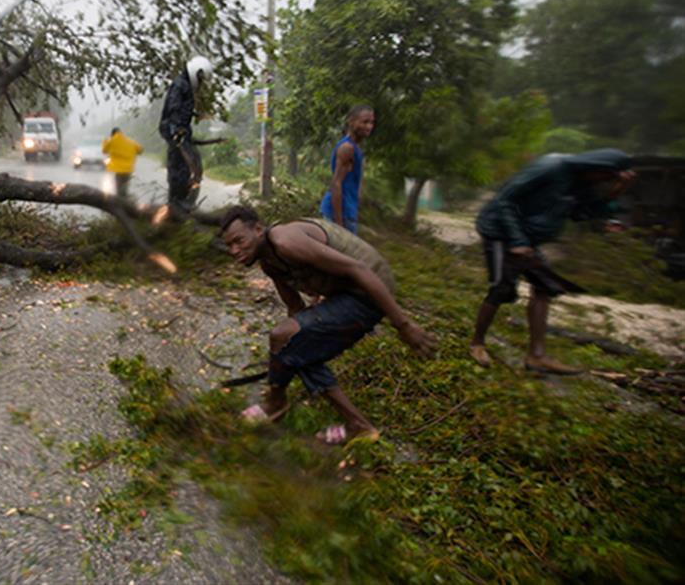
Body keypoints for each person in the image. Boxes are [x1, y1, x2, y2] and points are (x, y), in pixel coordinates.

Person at [220, 205, 437, 444]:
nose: (235, 250)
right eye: (229, 245)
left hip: (369, 291)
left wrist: (403, 325)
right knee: (293, 344)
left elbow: (359, 268)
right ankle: (348, 422)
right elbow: (295, 309)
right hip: (344, 295)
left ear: (258, 229)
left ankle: (278, 404)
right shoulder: (270, 263)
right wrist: (282, 361)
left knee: (286, 338)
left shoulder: (285, 242)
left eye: (239, 241)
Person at [469, 149, 636, 373]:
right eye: (605, 177)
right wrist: (518, 240)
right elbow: (504, 201)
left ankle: (536, 356)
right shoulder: (551, 167)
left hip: (527, 238)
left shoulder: (579, 183)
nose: (603, 182)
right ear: (597, 168)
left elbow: (582, 214)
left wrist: (616, 192)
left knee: (545, 287)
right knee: (502, 288)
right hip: (500, 232)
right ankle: (477, 343)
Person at [159, 56, 212, 213]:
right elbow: (174, 107)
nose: (201, 83)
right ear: (197, 72)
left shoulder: (185, 85)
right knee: (180, 164)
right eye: (200, 79)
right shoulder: (180, 84)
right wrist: (177, 129)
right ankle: (177, 202)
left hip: (179, 128)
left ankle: (181, 200)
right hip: (174, 129)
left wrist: (195, 114)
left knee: (188, 164)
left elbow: (182, 108)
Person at [319, 105, 375, 234]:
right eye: (365, 122)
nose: (369, 127)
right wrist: (339, 224)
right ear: (351, 121)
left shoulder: (355, 148)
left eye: (372, 122)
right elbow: (336, 183)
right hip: (340, 214)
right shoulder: (347, 148)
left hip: (348, 212)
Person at [101, 127, 143, 198]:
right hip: (128, 168)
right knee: (125, 187)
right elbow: (140, 150)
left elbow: (104, 150)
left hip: (118, 169)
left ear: (112, 134)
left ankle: (121, 203)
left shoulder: (111, 141)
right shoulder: (130, 141)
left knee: (119, 188)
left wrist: (105, 141)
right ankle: (125, 201)